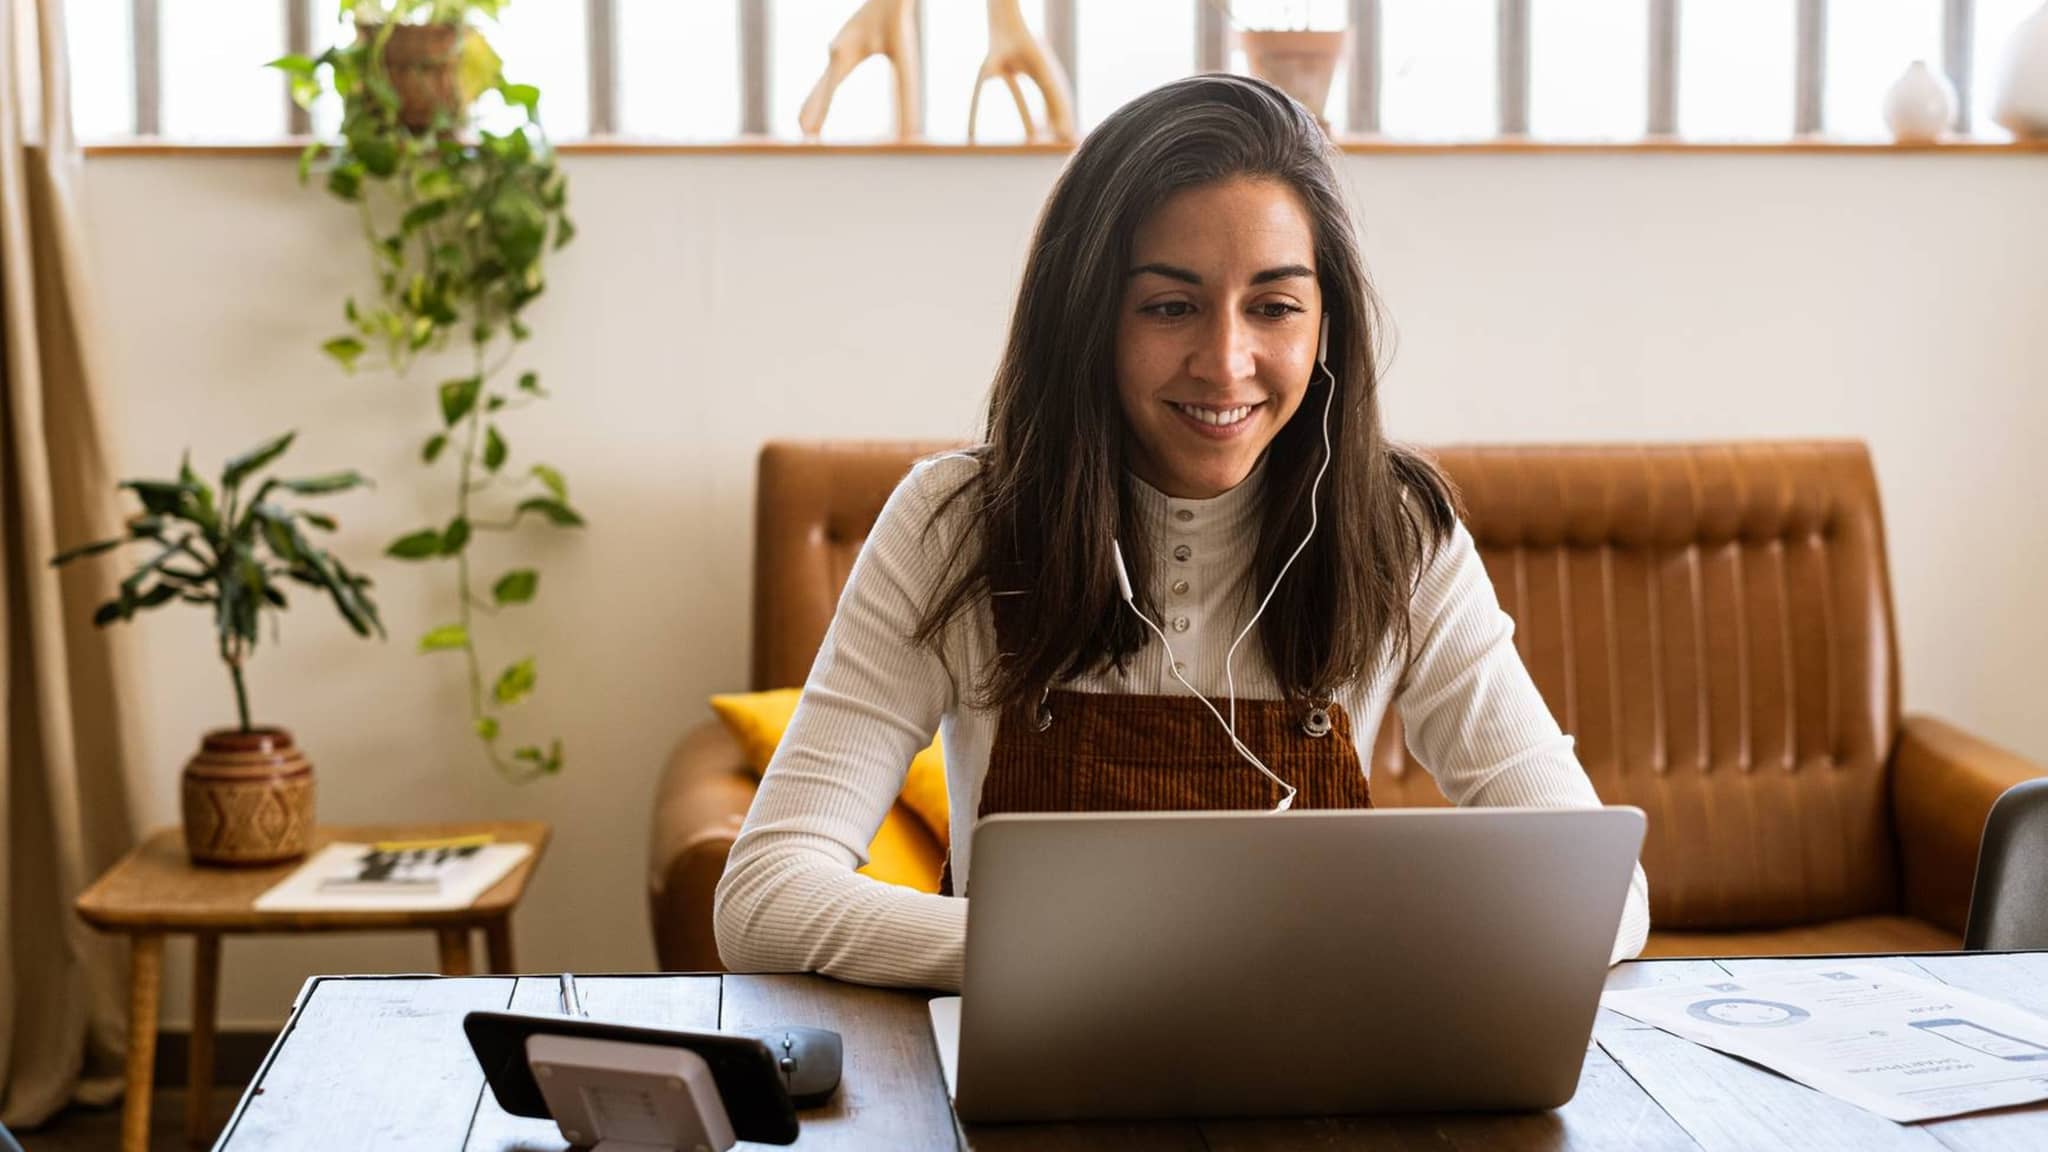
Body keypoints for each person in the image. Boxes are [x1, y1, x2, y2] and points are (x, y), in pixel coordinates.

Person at [716, 74, 1650, 991]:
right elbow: (764, 895)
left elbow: (1606, 896)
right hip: (1035, 1072)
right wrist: (1092, 960)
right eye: (1170, 307)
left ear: (1326, 325)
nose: (1226, 362)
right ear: (1088, 320)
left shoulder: (1397, 533)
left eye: (1274, 307)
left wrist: (1362, 954)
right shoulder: (954, 521)